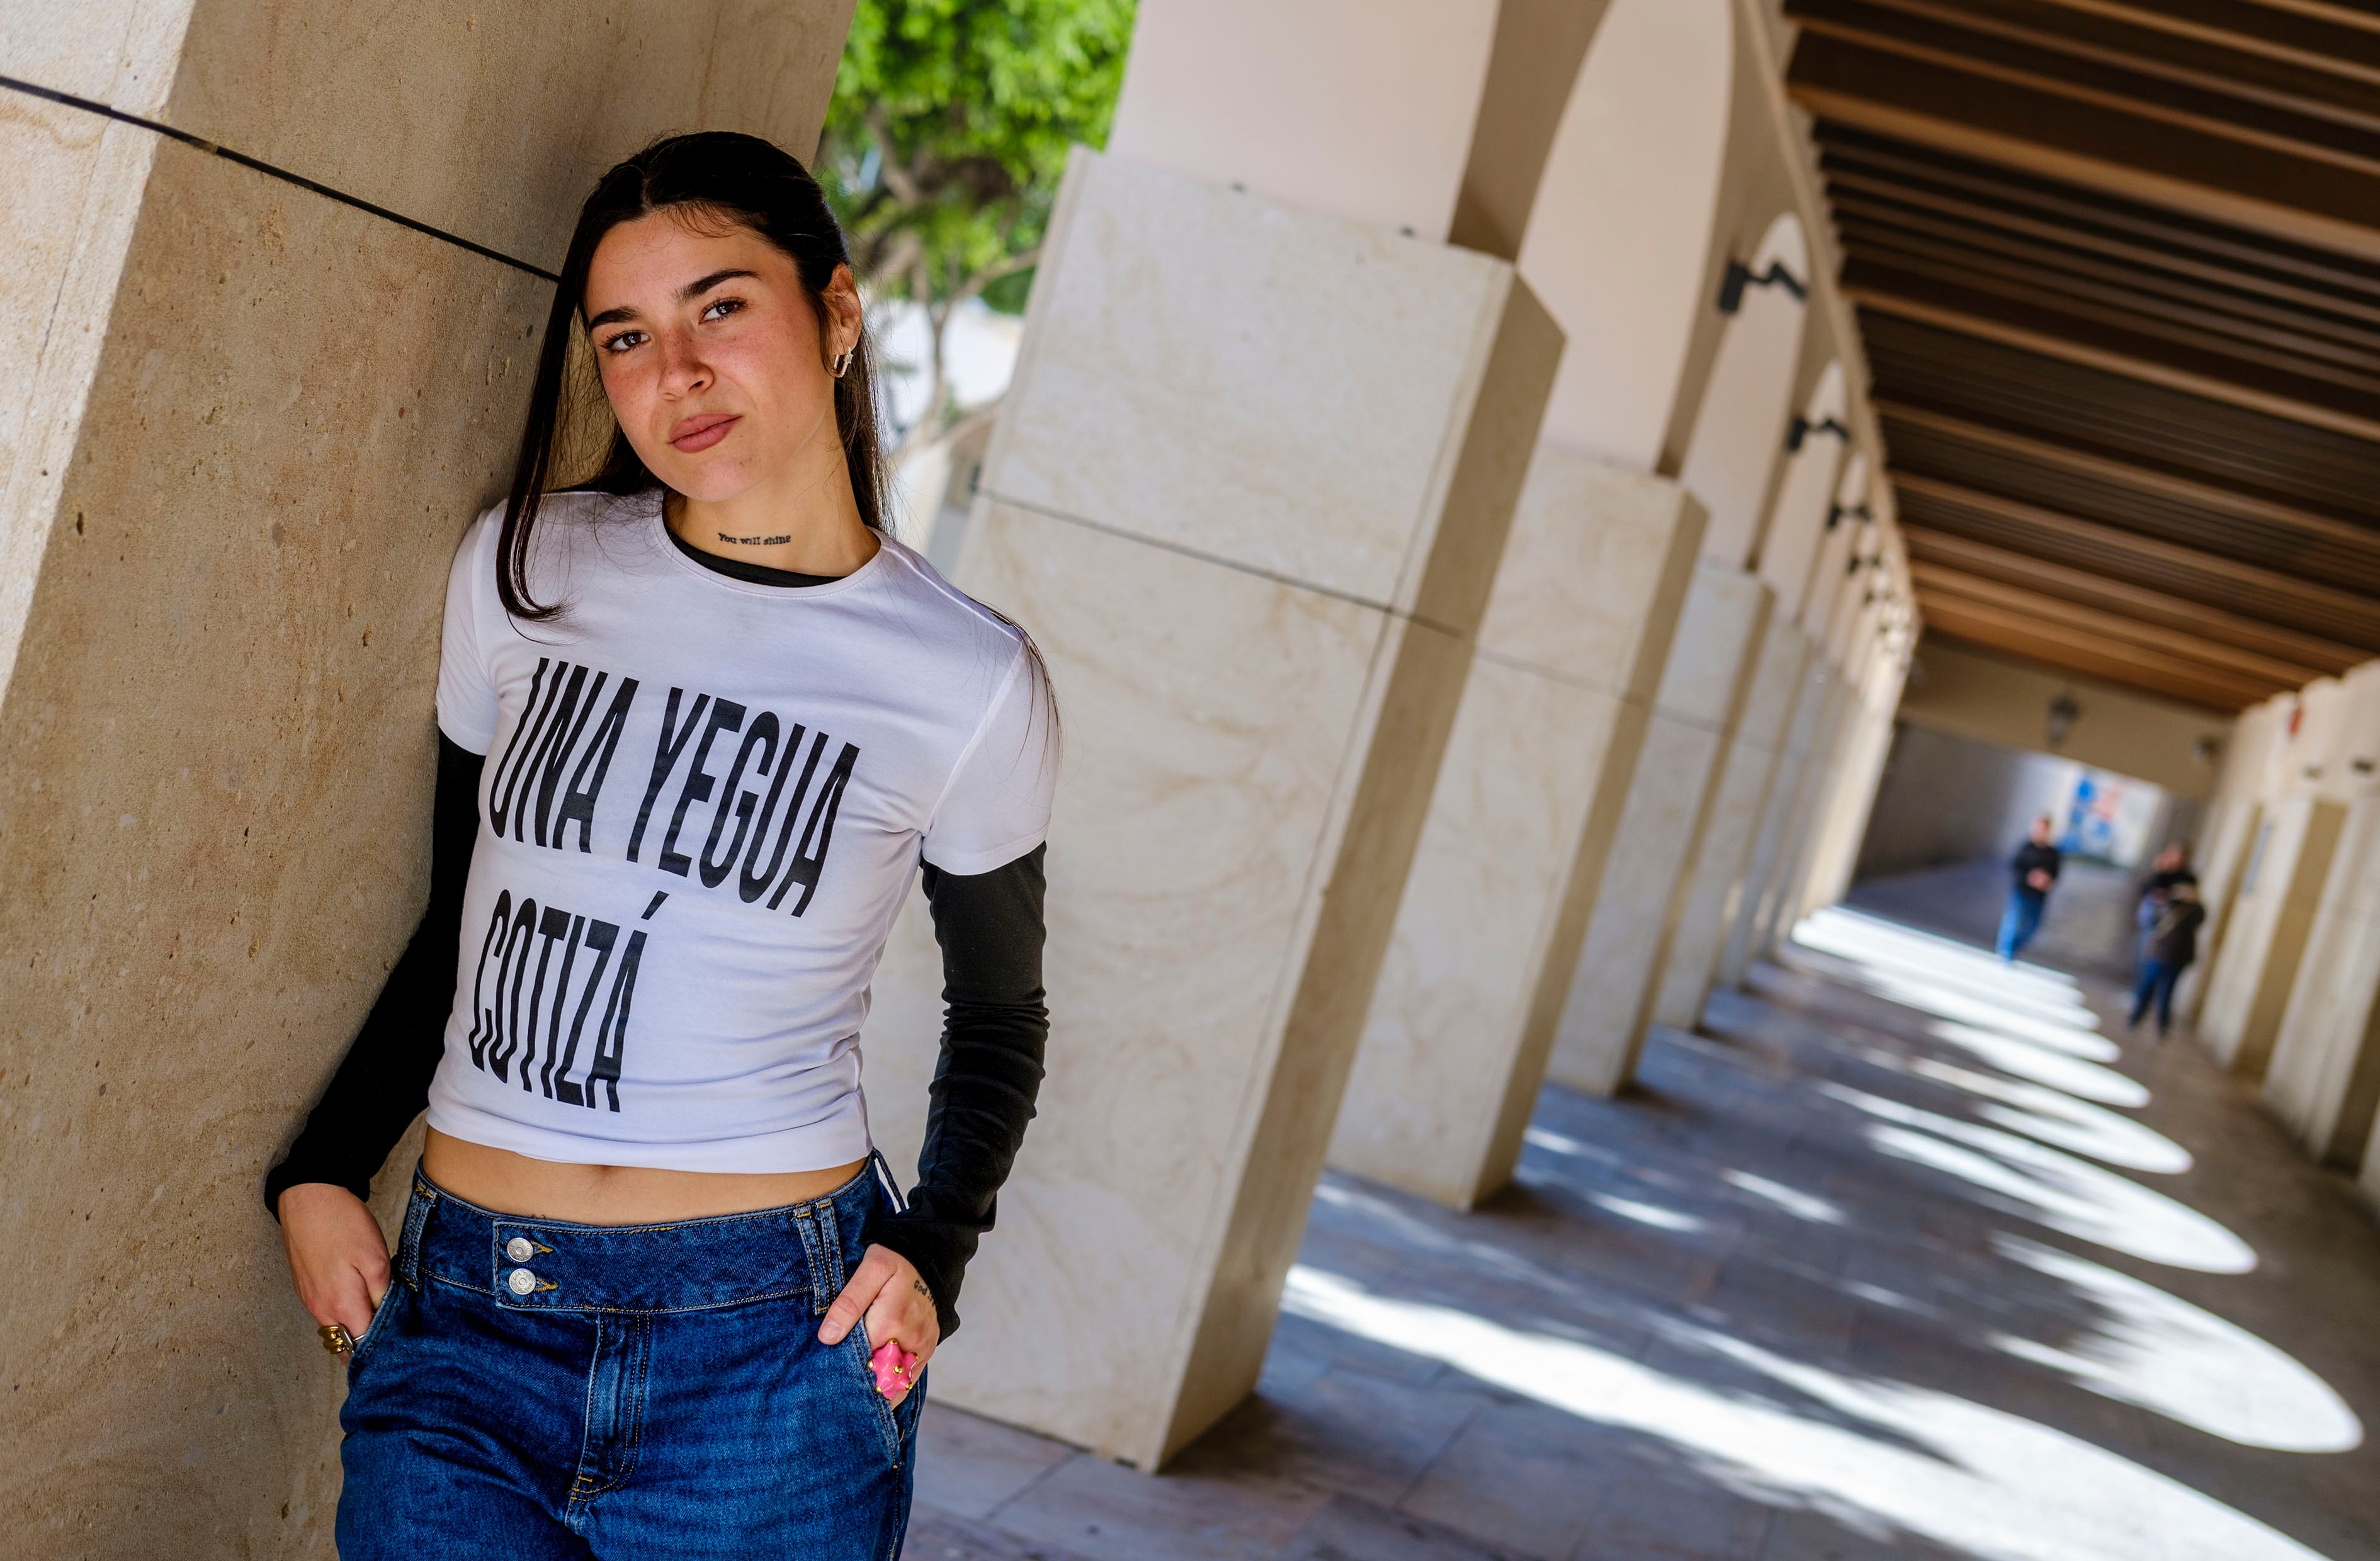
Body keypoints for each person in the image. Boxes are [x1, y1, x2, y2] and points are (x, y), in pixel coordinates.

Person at [264, 132, 1057, 1559]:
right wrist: (321, 1166)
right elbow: (463, 915)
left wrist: (933, 1251)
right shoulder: (528, 565)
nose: (674, 372)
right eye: (625, 335)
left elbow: (1001, 1013)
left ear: (836, 310)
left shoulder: (968, 677)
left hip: (767, 1351)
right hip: (466, 1320)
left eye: (720, 307)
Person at [2130, 881, 2206, 1039]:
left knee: (2167, 991)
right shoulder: (2169, 904)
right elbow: (2153, 920)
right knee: (2149, 985)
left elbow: (2198, 920)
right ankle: (2136, 1016)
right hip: (2161, 954)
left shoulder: (2195, 909)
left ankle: (2162, 1025)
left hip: (2177, 957)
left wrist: (2191, 903)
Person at [1997, 814, 2062, 962]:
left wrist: (2045, 881)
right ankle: (2006, 951)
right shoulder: (2026, 847)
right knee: (2012, 921)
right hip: (2022, 891)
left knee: (2032, 928)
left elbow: (2056, 874)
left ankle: (2014, 947)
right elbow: (2016, 866)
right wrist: (2030, 877)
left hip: (2038, 896)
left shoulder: (2053, 853)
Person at [2133, 842, 2197, 971]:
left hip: (2168, 925)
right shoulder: (2162, 872)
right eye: (2172, 854)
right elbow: (2146, 890)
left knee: (2155, 962)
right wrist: (2159, 871)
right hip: (2151, 920)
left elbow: (2186, 899)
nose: (2175, 858)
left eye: (2178, 855)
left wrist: (2168, 895)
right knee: (2142, 958)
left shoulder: (2187, 877)